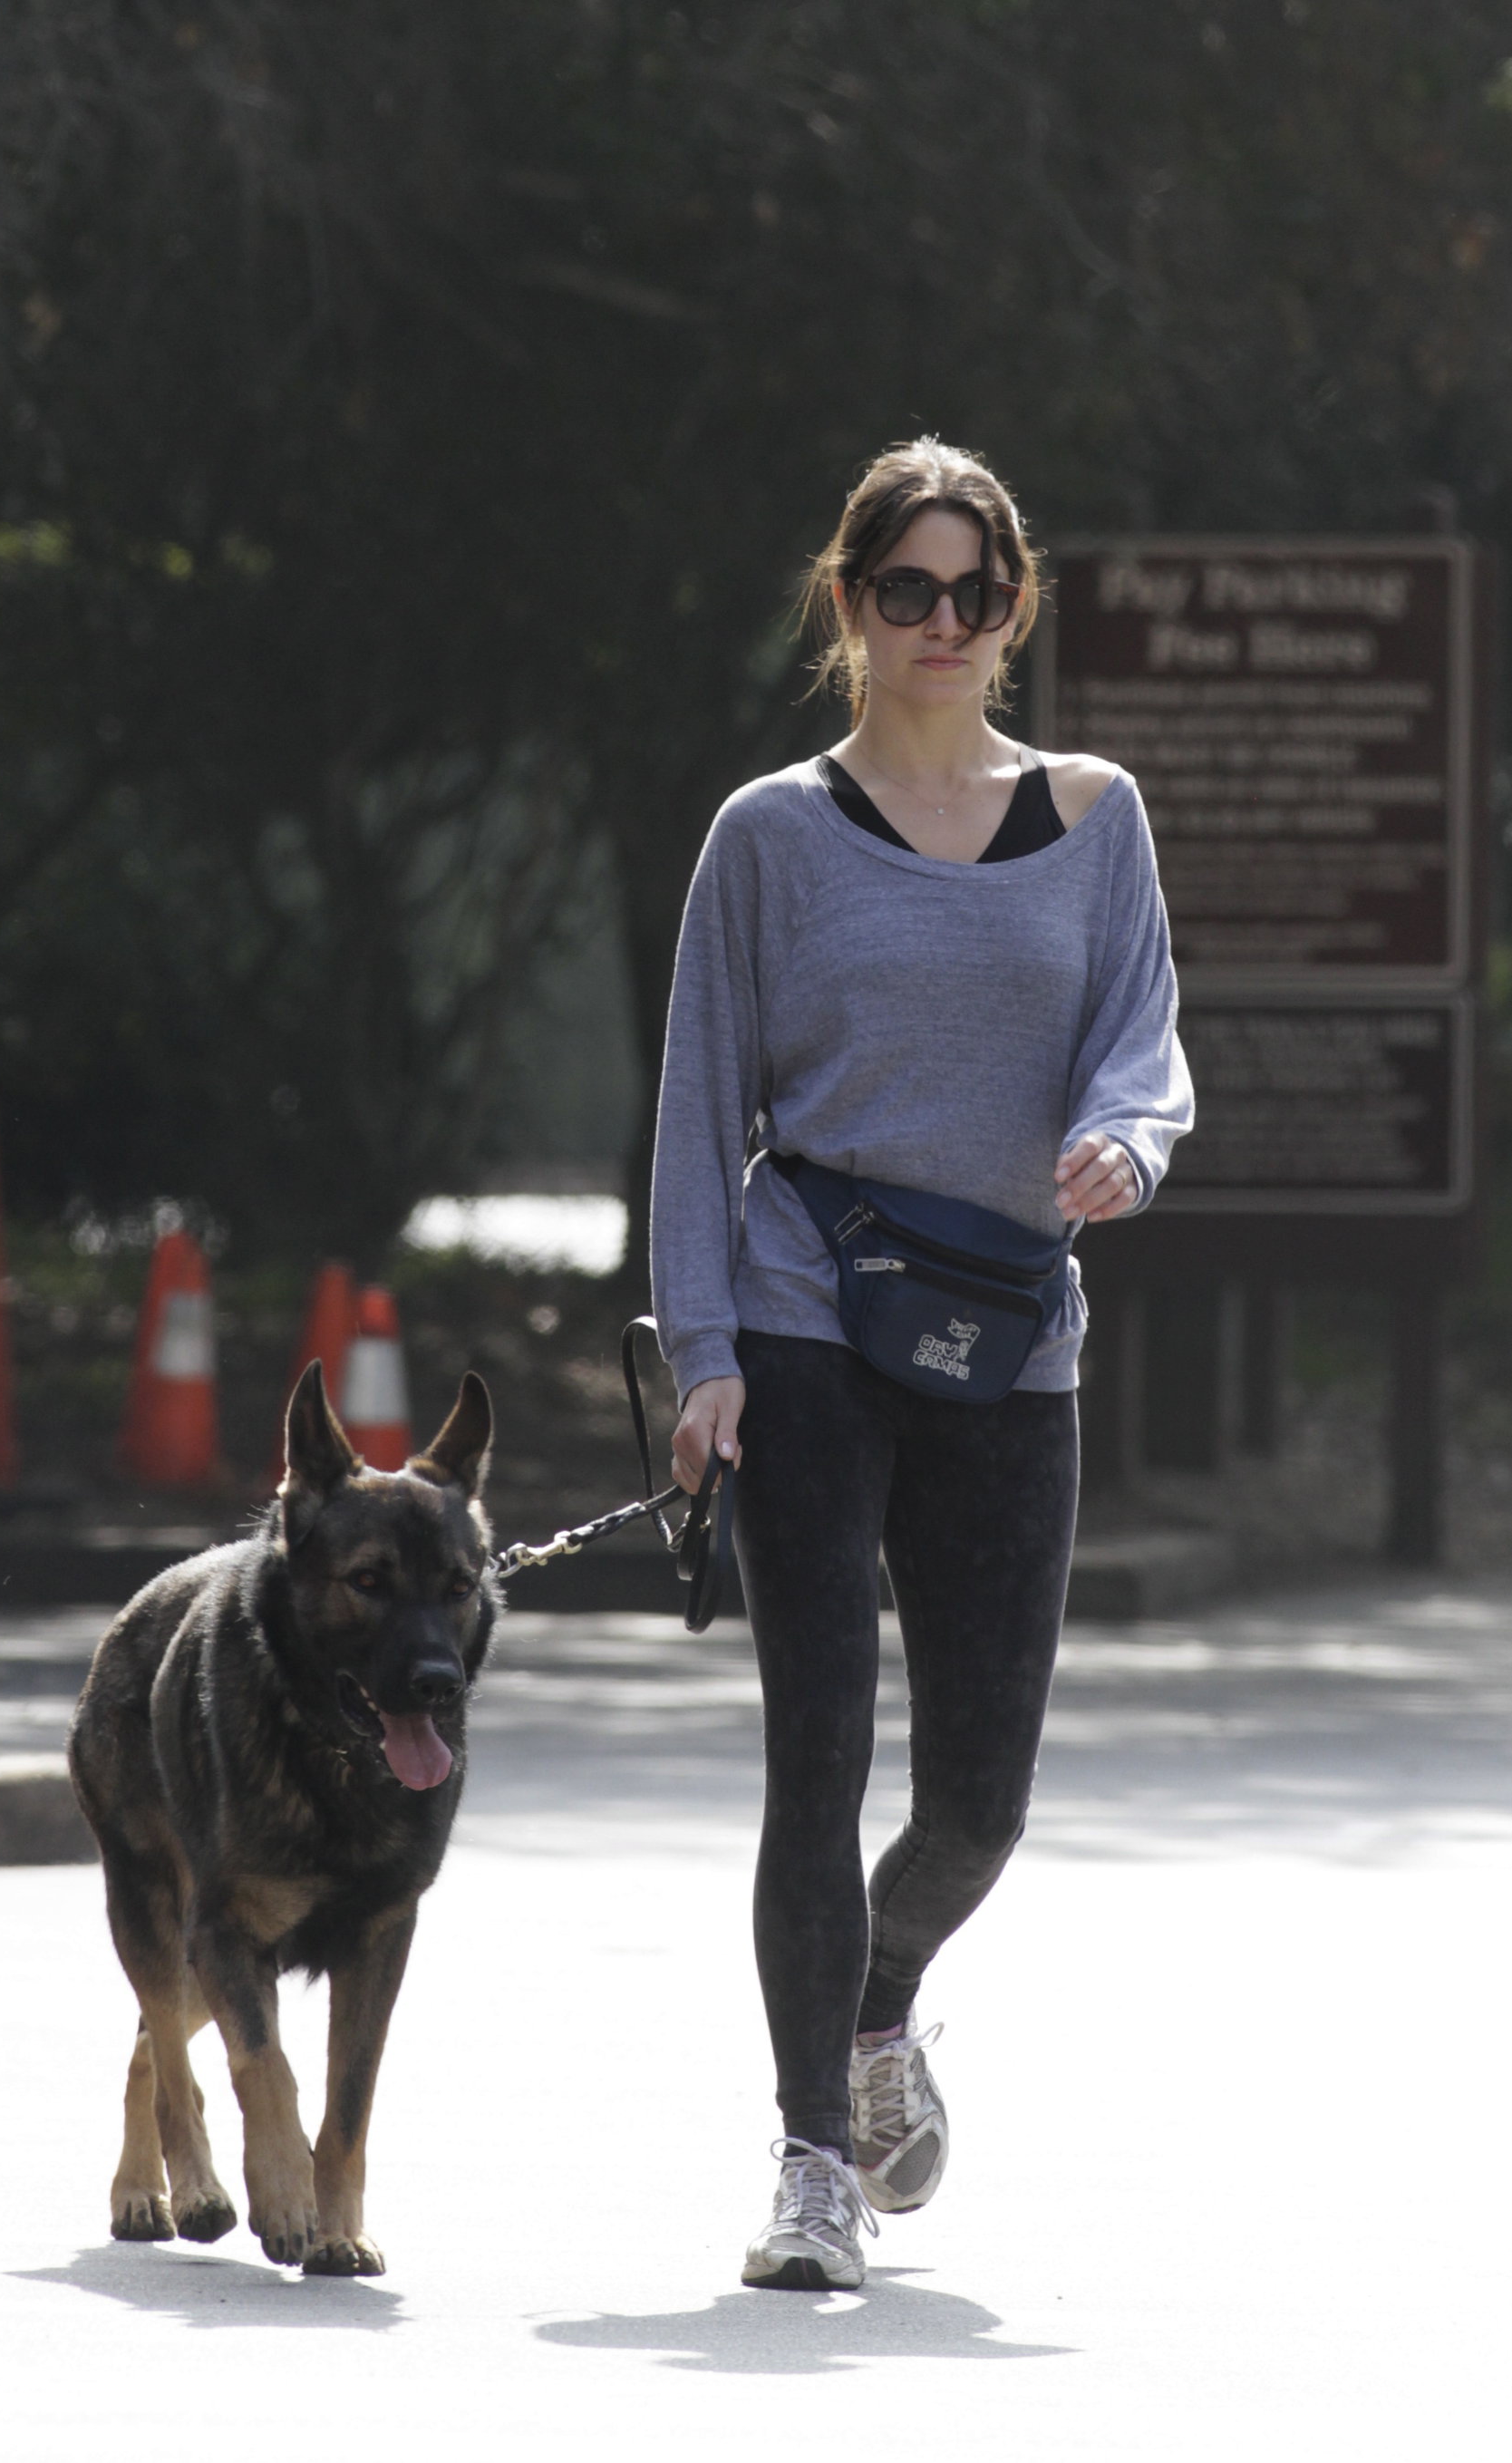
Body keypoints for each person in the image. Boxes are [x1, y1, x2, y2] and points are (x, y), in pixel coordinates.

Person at [651, 436, 1193, 2293]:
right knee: (817, 1758)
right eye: (906, 590)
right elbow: (693, 1111)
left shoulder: (1094, 815)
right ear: (849, 607)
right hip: (809, 1312)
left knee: (978, 1796)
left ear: (1013, 609)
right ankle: (810, 2156)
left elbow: (1143, 1048)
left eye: (975, 592)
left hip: (1011, 1331)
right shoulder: (768, 836)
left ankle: (878, 1995)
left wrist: (1127, 1141)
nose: (941, 622)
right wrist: (703, 1352)